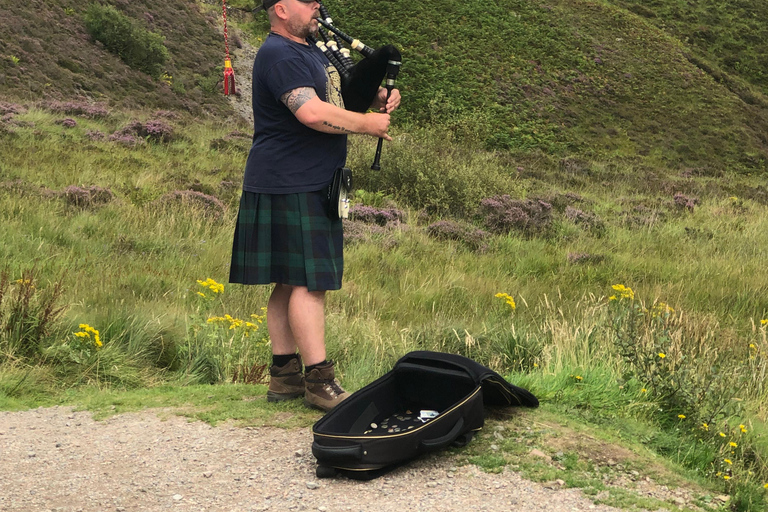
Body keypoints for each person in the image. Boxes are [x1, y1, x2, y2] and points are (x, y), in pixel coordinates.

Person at [229, 0, 401, 411]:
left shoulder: (307, 48)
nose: (317, 6)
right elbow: (309, 112)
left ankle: (284, 376)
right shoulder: (279, 54)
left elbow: (336, 92)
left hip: (307, 178)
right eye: (307, 1)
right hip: (293, 181)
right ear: (282, 9)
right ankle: (319, 382)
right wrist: (368, 125)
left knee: (289, 281)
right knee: (311, 282)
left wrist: (374, 97)